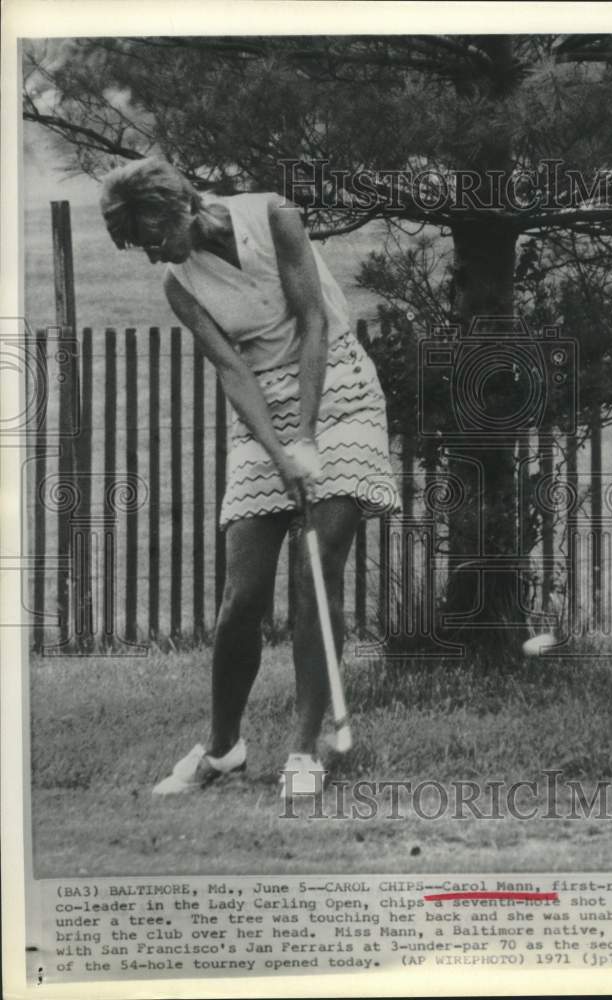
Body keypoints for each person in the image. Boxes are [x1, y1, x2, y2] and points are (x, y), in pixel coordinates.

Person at [99, 157, 397, 798]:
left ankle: (304, 751)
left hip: (338, 390)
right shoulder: (181, 286)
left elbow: (315, 321)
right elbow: (235, 375)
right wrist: (278, 446)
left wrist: (309, 436)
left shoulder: (275, 217)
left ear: (177, 208)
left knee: (314, 566)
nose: (152, 257)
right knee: (243, 598)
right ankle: (223, 748)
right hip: (261, 410)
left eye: (152, 240)